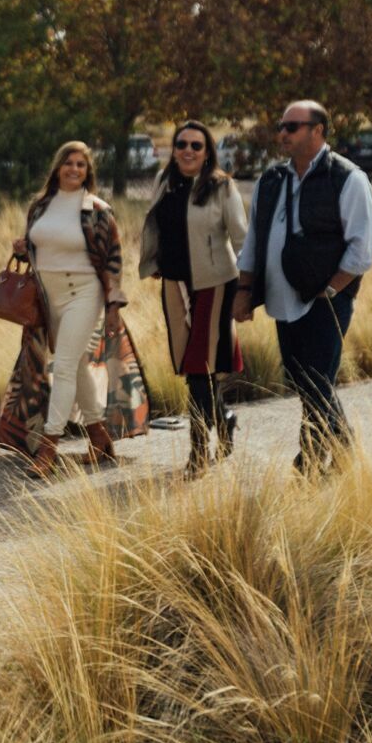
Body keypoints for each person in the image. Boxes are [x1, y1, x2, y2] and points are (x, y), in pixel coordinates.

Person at [233, 101, 372, 475]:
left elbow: (362, 250)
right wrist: (244, 290)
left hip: (327, 301)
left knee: (315, 380)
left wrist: (330, 291)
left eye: (292, 126)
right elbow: (254, 241)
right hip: (281, 301)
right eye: (281, 126)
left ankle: (309, 462)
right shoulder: (270, 180)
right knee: (307, 381)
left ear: (318, 130)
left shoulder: (347, 178)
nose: (283, 133)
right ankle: (342, 450)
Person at [0, 141, 152, 478]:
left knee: (64, 366)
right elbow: (39, 247)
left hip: (84, 294)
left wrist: (113, 305)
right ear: (58, 168)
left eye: (81, 165)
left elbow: (113, 261)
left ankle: (48, 448)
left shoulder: (98, 210)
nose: (74, 169)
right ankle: (99, 438)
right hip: (47, 297)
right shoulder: (40, 206)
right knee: (77, 365)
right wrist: (23, 250)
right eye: (69, 163)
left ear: (88, 171)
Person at [139, 120, 248, 478]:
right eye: (182, 144)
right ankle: (224, 418)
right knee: (192, 366)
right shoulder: (164, 181)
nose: (188, 151)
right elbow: (156, 225)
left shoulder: (222, 186)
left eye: (196, 146)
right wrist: (153, 261)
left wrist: (248, 289)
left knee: (200, 365)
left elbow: (242, 238)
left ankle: (198, 452)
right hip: (174, 283)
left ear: (207, 152)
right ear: (174, 149)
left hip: (215, 284)